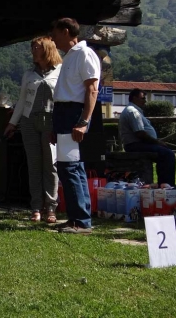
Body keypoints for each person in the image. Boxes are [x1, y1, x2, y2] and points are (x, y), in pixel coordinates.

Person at [4, 36, 62, 223]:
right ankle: (36, 207)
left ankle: (51, 208)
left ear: (47, 49)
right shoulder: (29, 74)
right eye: (33, 47)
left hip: (51, 121)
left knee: (50, 165)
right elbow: (21, 101)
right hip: (30, 121)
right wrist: (13, 123)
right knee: (34, 164)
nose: (33, 51)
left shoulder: (60, 71)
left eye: (36, 47)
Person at [50, 18, 101, 234]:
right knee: (68, 167)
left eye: (56, 33)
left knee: (70, 167)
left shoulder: (84, 54)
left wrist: (83, 121)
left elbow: (92, 89)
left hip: (74, 114)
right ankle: (76, 218)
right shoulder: (70, 56)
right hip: (63, 113)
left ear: (66, 32)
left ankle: (81, 221)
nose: (53, 38)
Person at [118, 88, 176, 186]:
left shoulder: (134, 110)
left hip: (136, 144)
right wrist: (157, 142)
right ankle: (167, 186)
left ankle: (163, 184)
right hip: (136, 145)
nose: (145, 101)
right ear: (134, 98)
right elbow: (140, 133)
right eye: (143, 98)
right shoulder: (133, 112)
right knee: (168, 154)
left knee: (164, 154)